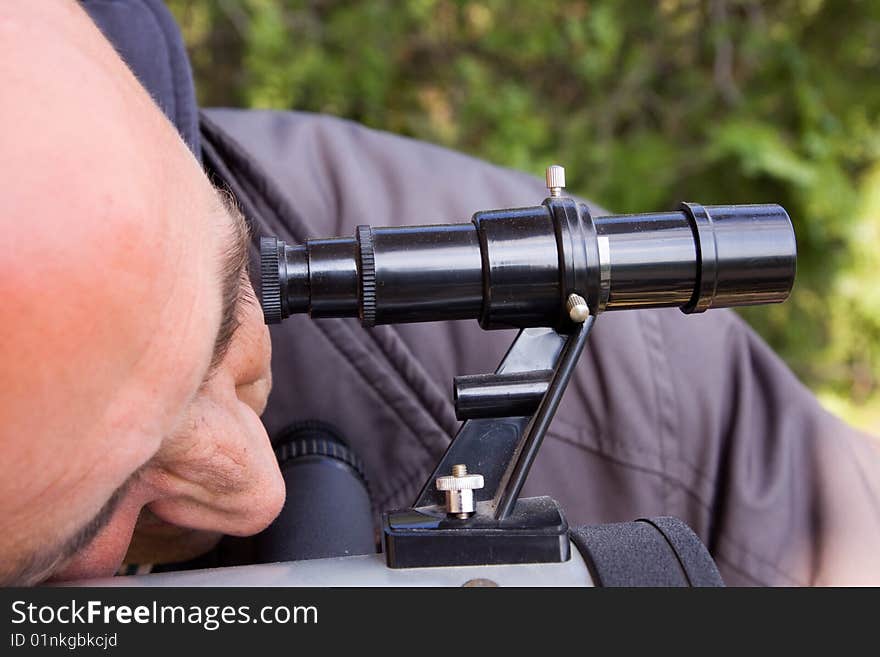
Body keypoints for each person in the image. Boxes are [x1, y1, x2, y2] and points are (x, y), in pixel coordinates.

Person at [1, 0, 878, 586]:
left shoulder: (647, 418)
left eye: (232, 297)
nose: (260, 490)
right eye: (107, 501)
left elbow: (822, 521)